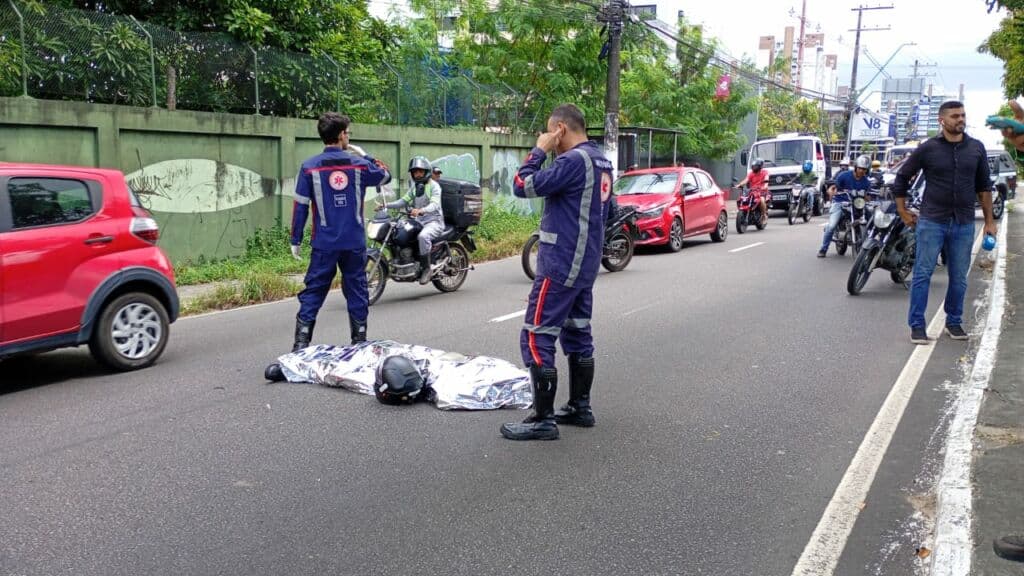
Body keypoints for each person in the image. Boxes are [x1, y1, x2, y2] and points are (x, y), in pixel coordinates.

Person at [500, 103, 613, 441]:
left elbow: (523, 185)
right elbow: (611, 210)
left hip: (561, 261)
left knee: (537, 334)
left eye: (551, 131)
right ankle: (580, 407)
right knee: (578, 332)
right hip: (586, 263)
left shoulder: (572, 161)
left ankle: (543, 419)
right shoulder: (602, 160)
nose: (549, 136)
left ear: (560, 129)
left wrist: (539, 150)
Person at [892, 100, 996, 345]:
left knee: (959, 277)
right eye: (955, 116)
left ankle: (954, 321)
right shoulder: (928, 149)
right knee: (922, 274)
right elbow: (902, 177)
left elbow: (984, 187)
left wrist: (989, 221)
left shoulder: (976, 148)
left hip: (963, 222)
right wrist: (902, 211)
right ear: (942, 120)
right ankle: (917, 325)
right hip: (932, 221)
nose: (960, 119)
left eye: (963, 115)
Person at [290, 112, 391, 350]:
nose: (348, 137)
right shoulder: (358, 165)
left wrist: (295, 238)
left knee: (314, 291)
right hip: (353, 243)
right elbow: (385, 175)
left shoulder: (309, 168)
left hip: (324, 244)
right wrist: (366, 154)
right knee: (357, 290)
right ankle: (359, 343)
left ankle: (300, 346)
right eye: (348, 133)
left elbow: (300, 206)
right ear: (341, 135)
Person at [383, 156, 444, 285]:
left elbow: (435, 204)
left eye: (420, 171)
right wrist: (386, 205)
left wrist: (422, 210)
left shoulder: (435, 186)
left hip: (434, 222)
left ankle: (427, 268)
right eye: (415, 172)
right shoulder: (416, 187)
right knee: (399, 230)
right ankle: (405, 260)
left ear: (426, 171)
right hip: (419, 221)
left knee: (423, 236)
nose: (417, 174)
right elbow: (403, 201)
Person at [818, 154, 873, 257]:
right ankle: (823, 249)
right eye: (860, 168)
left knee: (872, 221)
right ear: (856, 167)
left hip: (857, 204)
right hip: (840, 202)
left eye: (864, 169)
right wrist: (831, 191)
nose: (862, 171)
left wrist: (867, 197)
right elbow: (834, 187)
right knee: (831, 226)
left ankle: (869, 246)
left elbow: (868, 196)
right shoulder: (844, 175)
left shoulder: (866, 182)